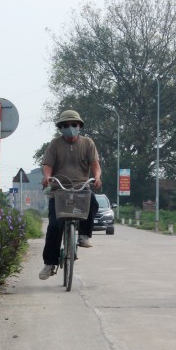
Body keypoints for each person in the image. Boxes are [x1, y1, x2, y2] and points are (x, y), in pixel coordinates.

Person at [38, 109, 102, 280]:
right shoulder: (55, 144)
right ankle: (49, 264)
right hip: (59, 190)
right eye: (66, 125)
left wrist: (96, 177)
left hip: (81, 189)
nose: (70, 127)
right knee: (54, 226)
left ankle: (83, 235)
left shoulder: (88, 143)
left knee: (93, 203)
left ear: (79, 126)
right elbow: (47, 166)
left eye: (74, 124)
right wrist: (46, 177)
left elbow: (95, 164)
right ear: (61, 128)